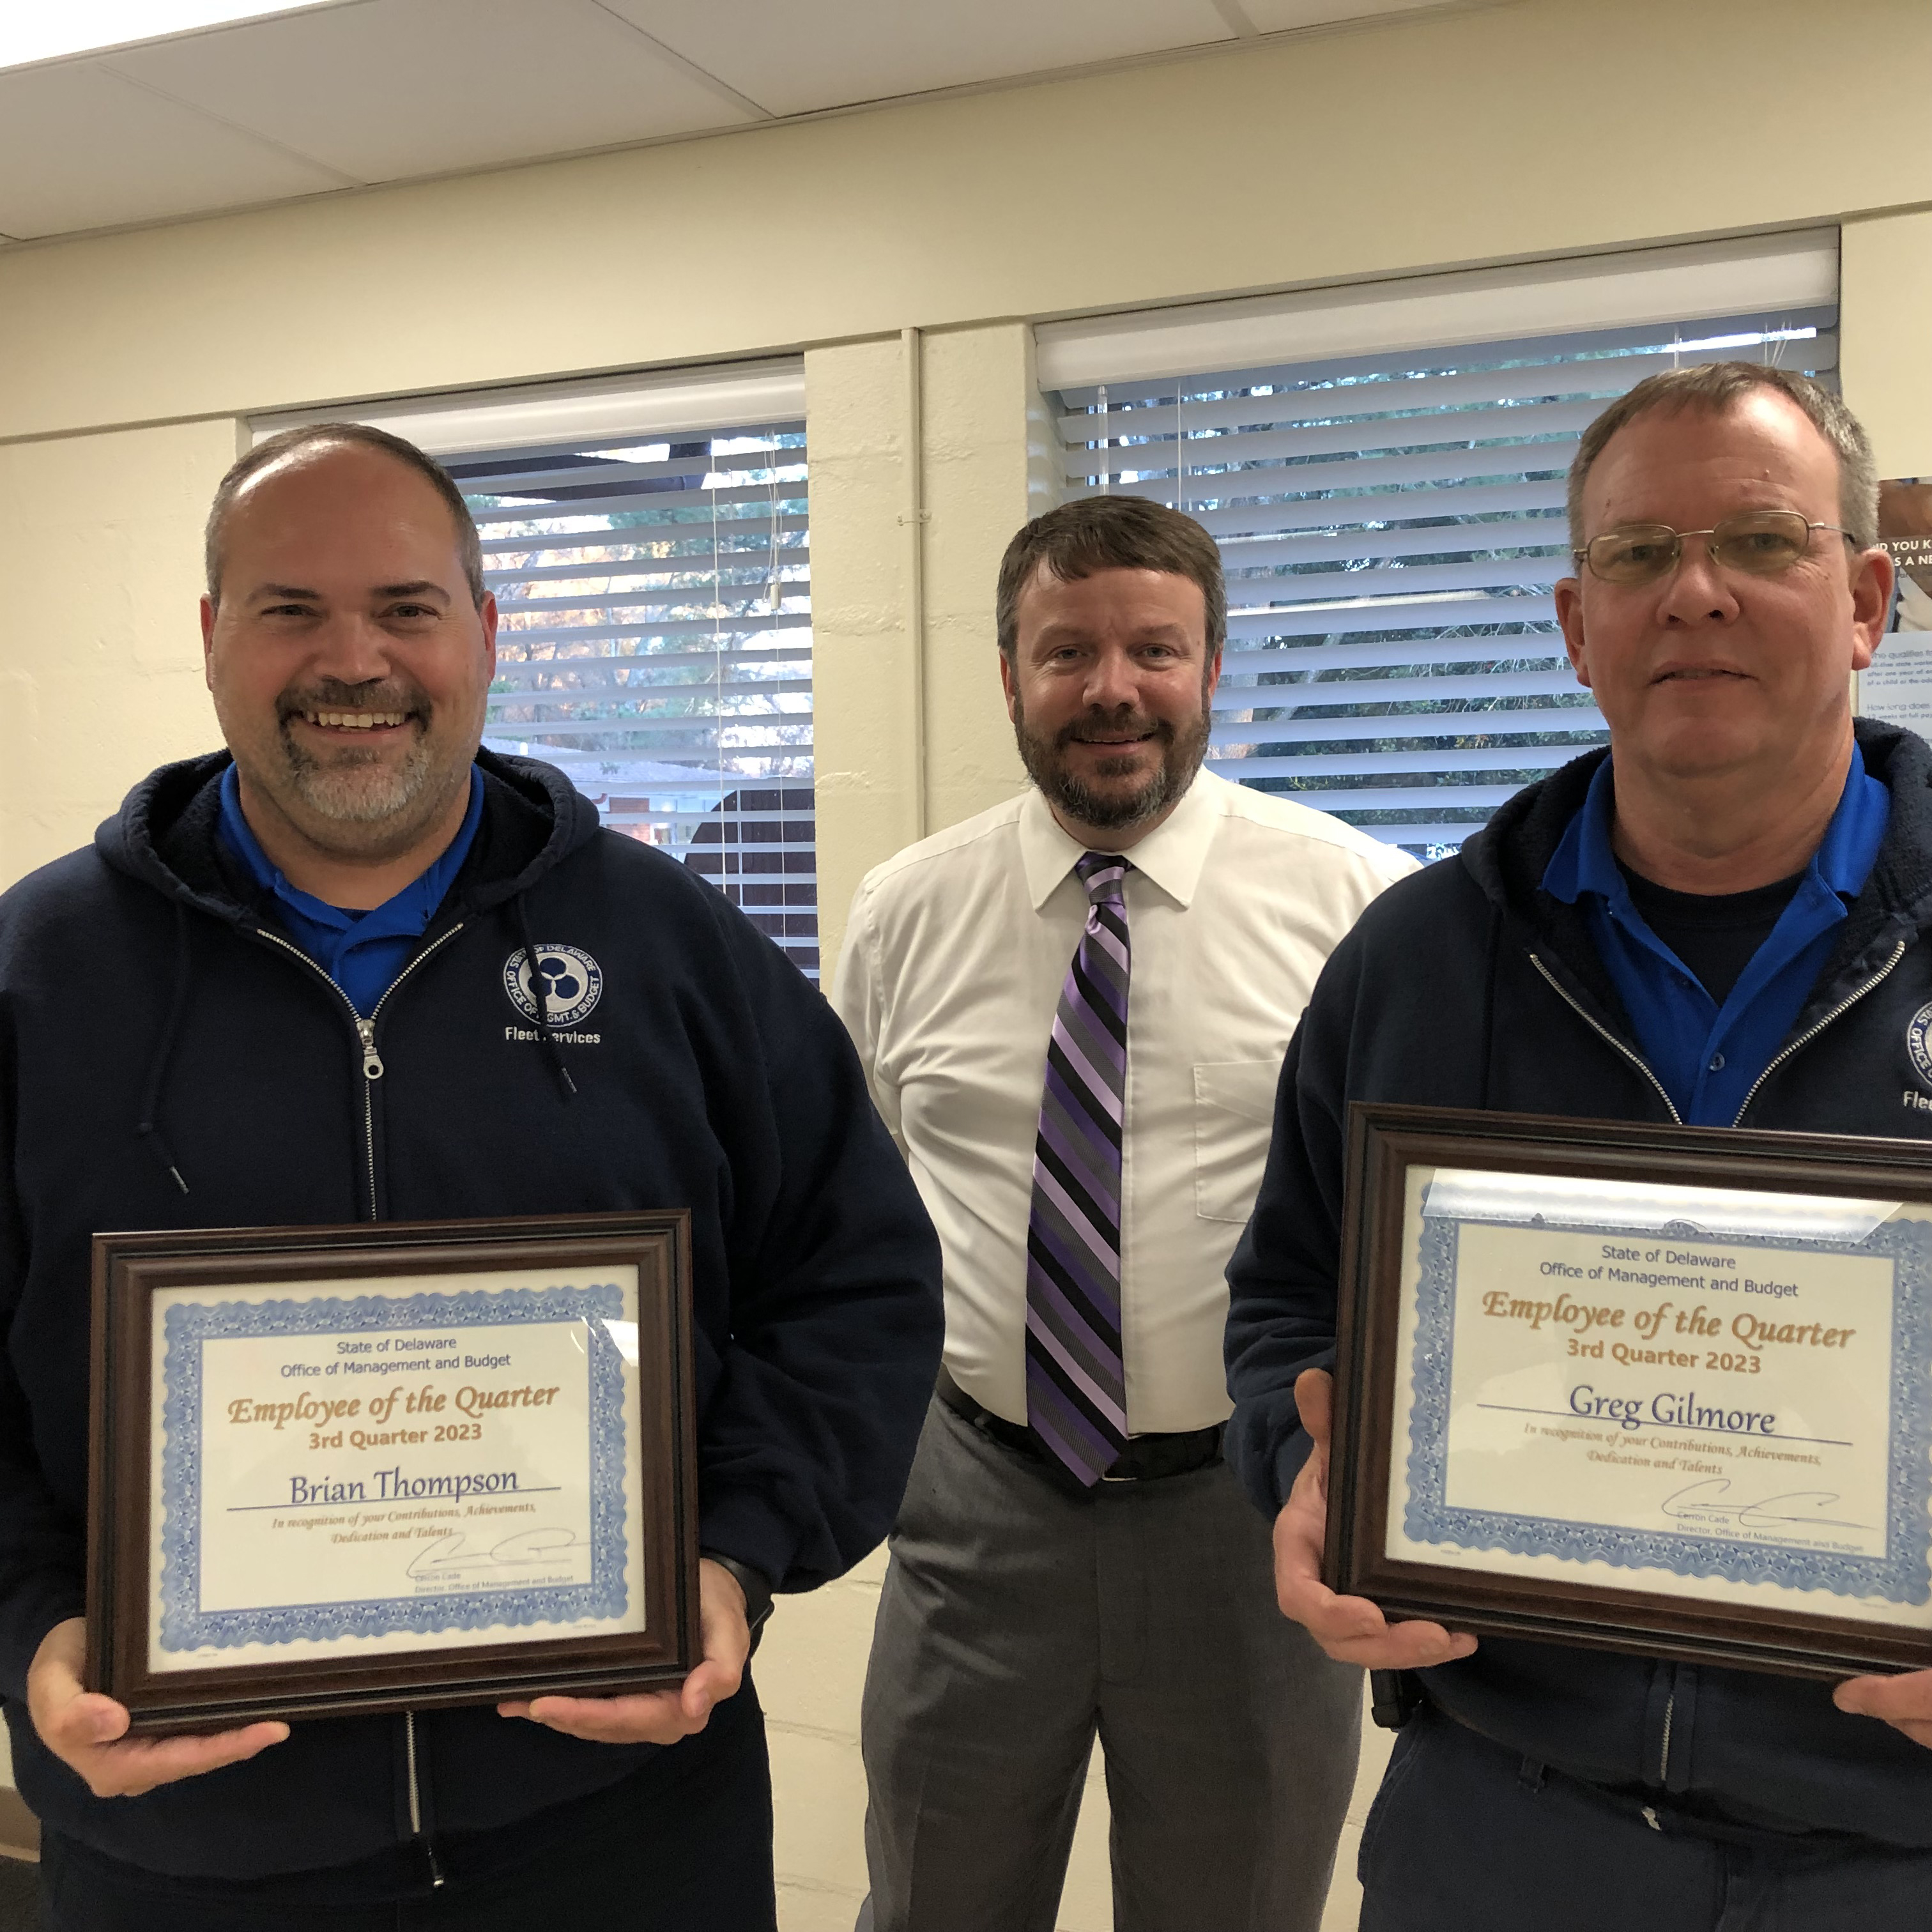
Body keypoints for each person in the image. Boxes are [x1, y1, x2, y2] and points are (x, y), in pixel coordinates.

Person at [0, 423, 944, 1930]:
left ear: (486, 633)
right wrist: (33, 1625)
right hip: (190, 1838)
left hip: (618, 1822)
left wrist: (729, 1557)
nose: (352, 661)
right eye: (290, 609)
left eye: (406, 608)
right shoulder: (40, 976)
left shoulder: (671, 945)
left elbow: (855, 1281)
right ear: (210, 637)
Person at [1223, 362, 1932, 1928]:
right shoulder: (1416, 961)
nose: (1693, 594)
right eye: (1635, 556)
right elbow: (1288, 1301)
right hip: (1504, 1834)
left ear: (1870, 598)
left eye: (1762, 542)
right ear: (1573, 626)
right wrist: (1302, 1473)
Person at [832, 495, 1416, 1932]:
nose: (1113, 689)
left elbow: (1414, 1236)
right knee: (931, 1906)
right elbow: (845, 1222)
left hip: (1247, 1523)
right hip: (976, 1511)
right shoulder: (905, 914)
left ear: (1214, 666)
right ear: (1011, 677)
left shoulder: (1359, 909)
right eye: (1067, 651)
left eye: (1156, 648)